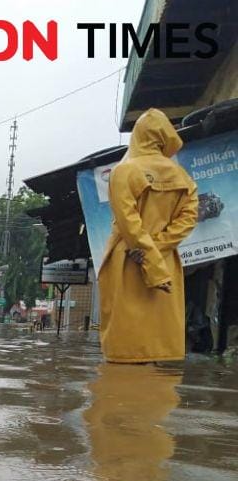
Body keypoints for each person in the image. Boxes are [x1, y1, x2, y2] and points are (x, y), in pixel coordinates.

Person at [97, 108, 198, 363]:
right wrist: (159, 252)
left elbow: (128, 224)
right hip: (166, 262)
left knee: (124, 354)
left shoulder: (124, 171)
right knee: (157, 350)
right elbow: (187, 221)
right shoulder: (183, 178)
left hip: (129, 260)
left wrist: (149, 259)